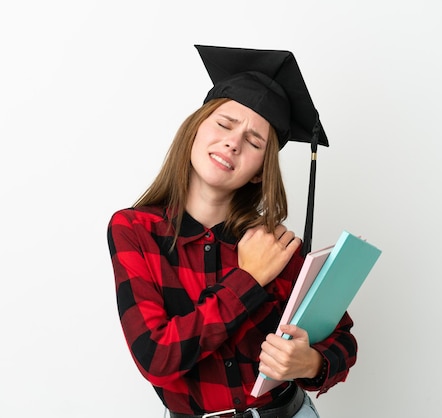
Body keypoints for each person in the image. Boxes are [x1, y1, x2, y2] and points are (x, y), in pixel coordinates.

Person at [107, 45, 357, 418]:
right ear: (195, 129)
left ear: (260, 170)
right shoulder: (135, 230)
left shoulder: (276, 245)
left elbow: (343, 340)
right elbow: (157, 357)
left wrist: (310, 364)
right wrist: (249, 279)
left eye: (255, 142)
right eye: (224, 124)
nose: (233, 142)